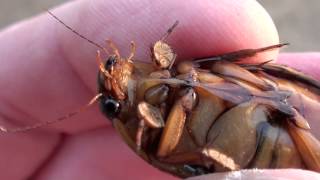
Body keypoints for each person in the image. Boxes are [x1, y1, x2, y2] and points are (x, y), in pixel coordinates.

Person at [0, 0, 319, 179]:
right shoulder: (148, 134)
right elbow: (167, 155)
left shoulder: (174, 70)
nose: (117, 81)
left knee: (216, 63)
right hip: (258, 143)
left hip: (271, 106)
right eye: (112, 104)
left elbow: (214, 69)